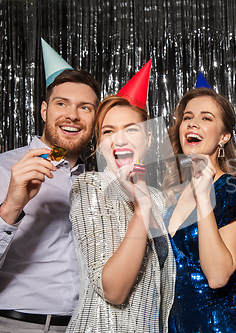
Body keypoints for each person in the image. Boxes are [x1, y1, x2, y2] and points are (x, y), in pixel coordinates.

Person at [0, 39, 100, 333]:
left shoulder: (98, 182)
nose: (72, 115)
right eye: (62, 104)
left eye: (84, 107)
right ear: (44, 111)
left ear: (95, 120)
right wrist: (11, 207)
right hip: (12, 326)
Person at [65, 60, 175, 333]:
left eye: (131, 129)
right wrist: (141, 210)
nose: (119, 140)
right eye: (108, 132)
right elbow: (113, 290)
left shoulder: (158, 199)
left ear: (148, 139)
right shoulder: (89, 187)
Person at [163, 82, 236, 333]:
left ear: (224, 137)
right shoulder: (170, 195)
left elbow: (218, 276)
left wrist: (204, 197)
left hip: (215, 326)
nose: (192, 123)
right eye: (187, 117)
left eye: (206, 118)